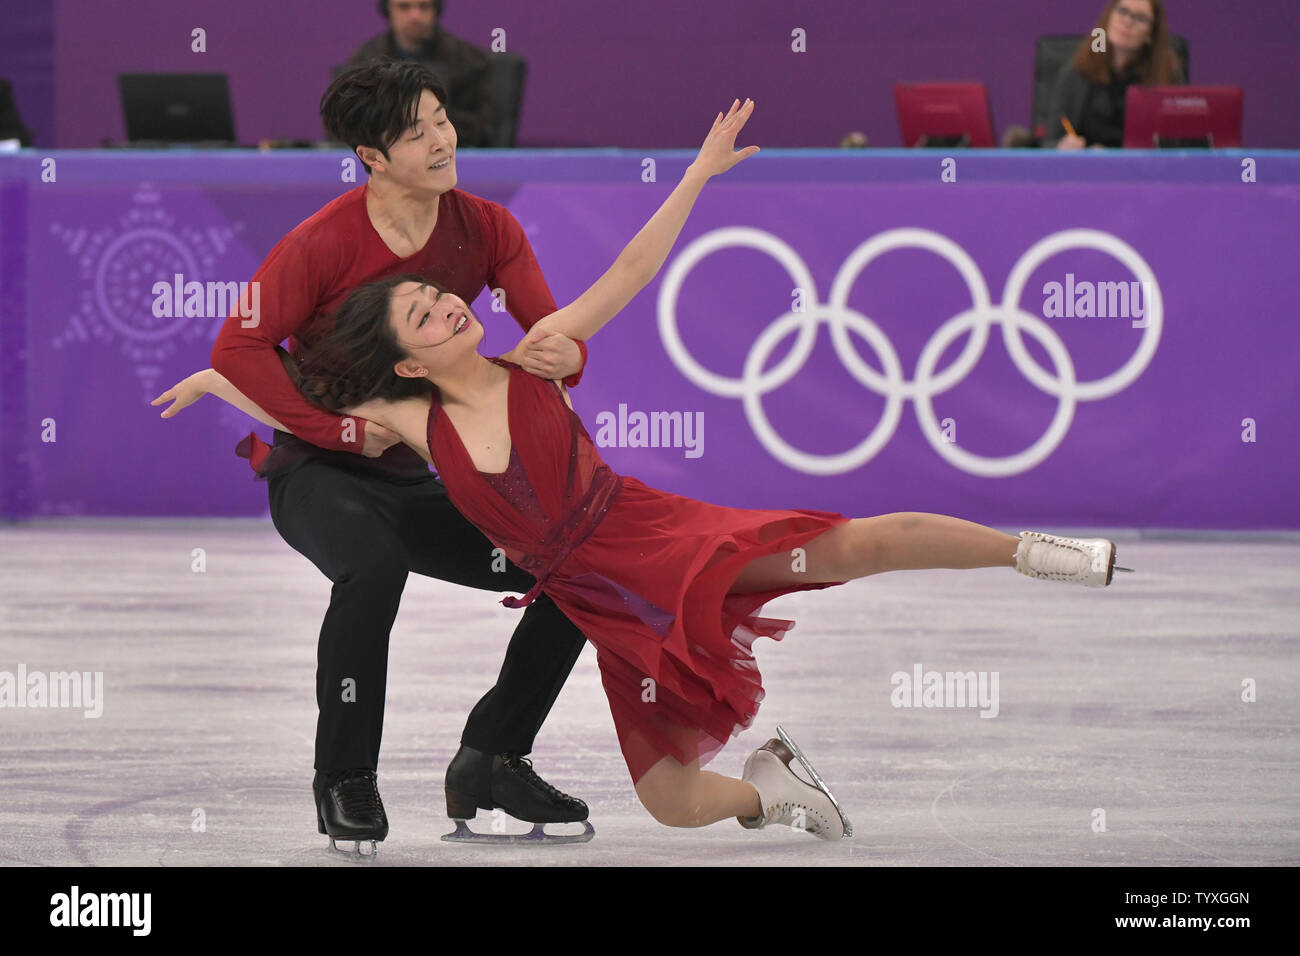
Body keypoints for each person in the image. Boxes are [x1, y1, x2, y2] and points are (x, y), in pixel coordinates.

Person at [165, 99, 1125, 839]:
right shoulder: (407, 418)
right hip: (599, 601)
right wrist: (220, 379)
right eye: (423, 313)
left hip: (650, 538)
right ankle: (769, 793)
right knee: (669, 801)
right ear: (409, 360)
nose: (449, 305)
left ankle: (1033, 552)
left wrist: (700, 175)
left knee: (846, 548)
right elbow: (302, 404)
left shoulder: (534, 352)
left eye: (440, 295)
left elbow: (628, 269)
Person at [206, 60, 595, 856]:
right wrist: (339, 432)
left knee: (576, 565)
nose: (442, 140)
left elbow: (554, 332)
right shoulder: (319, 243)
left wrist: (567, 358)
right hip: (317, 476)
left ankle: (493, 756)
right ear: (371, 156)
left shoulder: (487, 228)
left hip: (426, 478)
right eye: (415, 132)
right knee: (373, 566)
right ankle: (345, 779)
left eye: (442, 119)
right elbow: (237, 347)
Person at [348, 0, 495, 147]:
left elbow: (482, 125)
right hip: (386, 156)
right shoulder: (365, 63)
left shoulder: (469, 62)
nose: (415, 16)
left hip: (452, 153)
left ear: (436, 9)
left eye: (424, 6)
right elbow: (350, 122)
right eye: (404, 7)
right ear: (388, 10)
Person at [1044, 0, 1184, 150]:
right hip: (1086, 168)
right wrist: (1063, 146)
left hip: (1141, 169)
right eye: (1122, 11)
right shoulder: (1078, 71)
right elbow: (1050, 141)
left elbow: (1176, 144)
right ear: (1109, 16)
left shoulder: (1167, 76)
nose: (1127, 21)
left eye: (1140, 18)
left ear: (1151, 33)